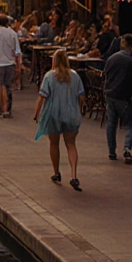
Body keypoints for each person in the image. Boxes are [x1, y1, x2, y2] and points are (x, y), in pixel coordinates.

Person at [34, 50, 85, 191]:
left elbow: (42, 96)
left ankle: (56, 172)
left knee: (54, 143)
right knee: (71, 144)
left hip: (53, 114)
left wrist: (37, 113)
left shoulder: (49, 76)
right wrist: (79, 109)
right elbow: (81, 96)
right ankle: (74, 175)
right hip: (71, 113)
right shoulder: (75, 76)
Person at [102, 34, 132, 164]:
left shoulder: (111, 58)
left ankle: (111, 151)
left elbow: (106, 74)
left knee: (111, 123)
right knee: (131, 123)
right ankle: (127, 148)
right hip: (123, 95)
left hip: (110, 93)